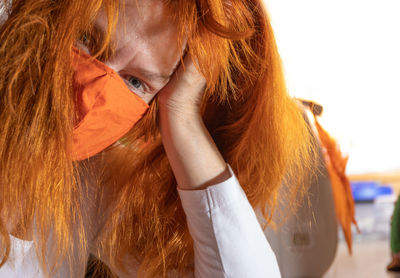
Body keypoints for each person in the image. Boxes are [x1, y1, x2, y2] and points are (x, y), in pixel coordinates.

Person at [0, 0, 314, 277]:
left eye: (135, 81)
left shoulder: (92, 182)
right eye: (85, 40)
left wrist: (181, 115)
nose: (92, 95)